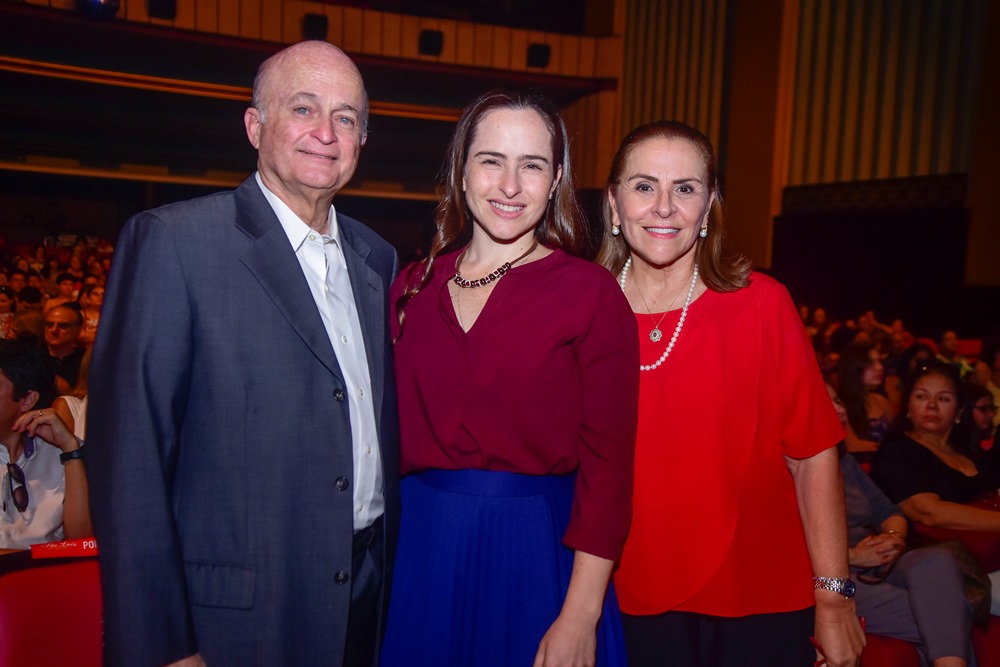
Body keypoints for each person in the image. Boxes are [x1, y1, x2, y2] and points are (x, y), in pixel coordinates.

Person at [87, 41, 400, 667]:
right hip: (232, 619)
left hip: (363, 597)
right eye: (303, 109)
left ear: (362, 139)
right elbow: (130, 463)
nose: (326, 133)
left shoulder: (377, 259)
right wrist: (165, 646)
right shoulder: (174, 243)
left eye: (345, 117)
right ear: (256, 126)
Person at [383, 89, 639, 666]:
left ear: (554, 182)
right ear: (462, 169)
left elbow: (609, 471)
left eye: (532, 165)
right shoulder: (409, 289)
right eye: (491, 160)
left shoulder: (588, 294)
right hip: (422, 553)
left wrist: (581, 613)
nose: (508, 185)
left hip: (536, 558)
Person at [596, 120, 864, 667]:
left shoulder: (762, 303)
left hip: (759, 597)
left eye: (686, 188)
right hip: (624, 595)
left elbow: (813, 457)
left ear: (709, 205)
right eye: (644, 186)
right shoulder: (583, 311)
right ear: (614, 206)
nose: (664, 207)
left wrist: (834, 599)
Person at [829, 383, 975, 667]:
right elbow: (779, 550)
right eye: (828, 403)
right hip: (829, 575)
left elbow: (889, 511)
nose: (841, 409)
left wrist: (893, 538)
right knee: (944, 612)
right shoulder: (788, 468)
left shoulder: (843, 461)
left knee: (936, 560)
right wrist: (855, 555)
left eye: (839, 399)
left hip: (874, 560)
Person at [872, 363, 1000, 534]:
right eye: (921, 397)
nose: (932, 405)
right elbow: (928, 512)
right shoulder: (896, 451)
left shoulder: (967, 448)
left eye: (943, 399)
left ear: (959, 411)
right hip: (937, 552)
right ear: (908, 406)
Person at [0, 338, 89, 549]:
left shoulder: (65, 452)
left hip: (41, 575)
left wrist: (71, 451)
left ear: (27, 400)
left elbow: (82, 544)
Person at [838, 341, 894, 455]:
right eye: (871, 363)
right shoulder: (839, 405)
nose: (880, 367)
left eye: (879, 361)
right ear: (854, 367)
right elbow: (852, 446)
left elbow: (896, 437)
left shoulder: (880, 400)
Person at [42, 304, 84, 395]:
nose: (54, 330)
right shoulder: (32, 357)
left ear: (79, 330)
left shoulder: (86, 360)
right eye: (49, 324)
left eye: (63, 326)